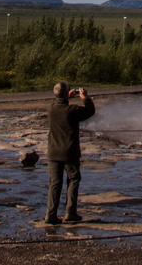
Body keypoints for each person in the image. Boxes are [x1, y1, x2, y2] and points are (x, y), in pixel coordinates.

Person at [45, 81, 95, 224]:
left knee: (55, 183)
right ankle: (70, 212)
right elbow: (90, 111)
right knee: (73, 179)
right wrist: (85, 97)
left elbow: (58, 102)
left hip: (53, 152)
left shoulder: (51, 109)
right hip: (69, 152)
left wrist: (65, 96)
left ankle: (51, 214)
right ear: (66, 94)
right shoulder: (72, 110)